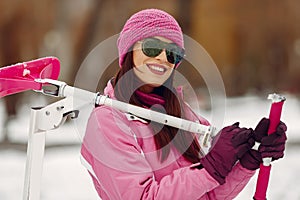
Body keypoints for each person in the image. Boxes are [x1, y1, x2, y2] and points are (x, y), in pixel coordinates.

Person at [80, 8, 287, 199]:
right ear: (129, 52)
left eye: (172, 54)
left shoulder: (181, 114)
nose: (162, 58)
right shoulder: (107, 121)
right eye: (152, 48)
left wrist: (249, 157)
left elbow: (208, 195)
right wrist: (211, 166)